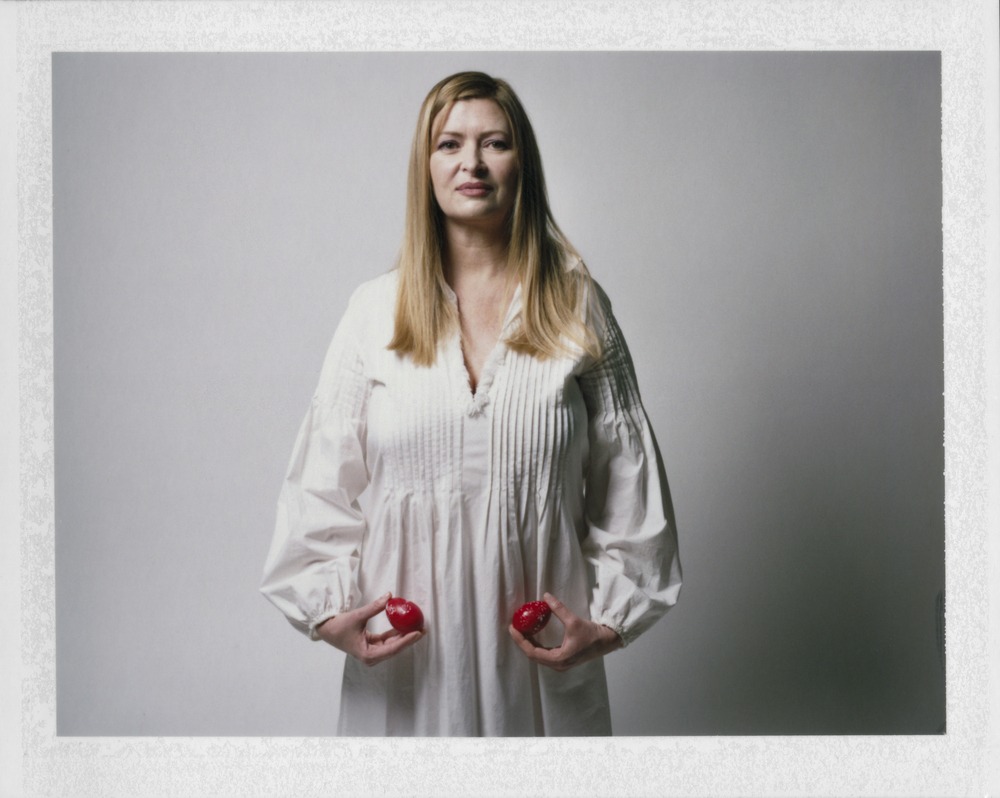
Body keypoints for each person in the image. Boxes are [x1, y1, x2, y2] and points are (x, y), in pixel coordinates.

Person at [260, 71, 681, 736]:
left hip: (542, 666)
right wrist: (326, 611)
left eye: (495, 143)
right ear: (425, 166)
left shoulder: (576, 304)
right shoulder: (373, 312)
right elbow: (318, 486)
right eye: (450, 144)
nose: (473, 163)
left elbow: (631, 487)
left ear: (522, 164)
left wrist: (606, 625)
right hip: (407, 665)